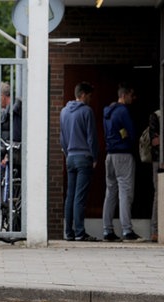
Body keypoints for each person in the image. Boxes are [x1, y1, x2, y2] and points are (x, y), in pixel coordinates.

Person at [101, 83, 143, 242]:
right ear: (124, 95)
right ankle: (127, 230)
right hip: (123, 155)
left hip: (109, 155)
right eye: (132, 96)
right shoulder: (123, 111)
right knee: (125, 193)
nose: (134, 99)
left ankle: (107, 230)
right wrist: (130, 143)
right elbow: (132, 133)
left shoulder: (108, 112)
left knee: (110, 193)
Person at [60, 82, 99, 242]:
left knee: (70, 195)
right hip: (84, 157)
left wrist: (67, 151)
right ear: (83, 94)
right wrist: (95, 156)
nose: (90, 99)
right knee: (80, 197)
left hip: (70, 156)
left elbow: (62, 137)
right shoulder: (86, 111)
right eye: (89, 96)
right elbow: (91, 137)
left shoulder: (63, 112)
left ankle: (68, 232)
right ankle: (80, 232)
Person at [149, 110, 161, 242]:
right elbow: (155, 141)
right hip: (159, 159)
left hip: (161, 158)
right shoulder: (156, 115)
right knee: (158, 194)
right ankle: (155, 230)